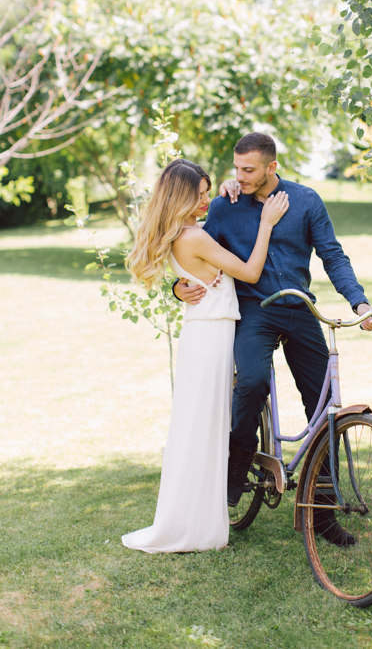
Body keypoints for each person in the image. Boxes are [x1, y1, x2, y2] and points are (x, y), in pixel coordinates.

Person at [174, 134, 372, 548]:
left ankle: (322, 511)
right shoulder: (224, 206)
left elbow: (333, 255)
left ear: (271, 167)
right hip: (255, 310)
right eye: (236, 168)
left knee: (325, 407)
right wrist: (176, 289)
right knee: (250, 382)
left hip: (300, 308)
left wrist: (359, 303)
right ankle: (236, 468)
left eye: (248, 170)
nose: (238, 177)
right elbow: (186, 252)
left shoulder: (305, 201)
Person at [121, 158, 289, 553]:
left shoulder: (186, 233)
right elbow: (249, 272)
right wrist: (266, 223)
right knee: (205, 428)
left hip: (204, 333)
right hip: (211, 335)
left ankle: (194, 518)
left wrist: (233, 187)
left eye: (207, 191)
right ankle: (193, 525)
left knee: (198, 428)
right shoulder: (193, 237)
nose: (206, 200)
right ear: (181, 197)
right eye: (199, 194)